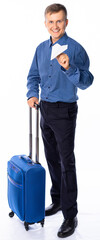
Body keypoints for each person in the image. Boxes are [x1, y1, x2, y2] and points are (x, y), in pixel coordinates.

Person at [27, 3, 94, 238]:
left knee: (67, 164)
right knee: (52, 158)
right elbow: (33, 75)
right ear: (46, 24)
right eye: (51, 21)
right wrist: (31, 94)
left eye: (59, 21)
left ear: (66, 22)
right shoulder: (40, 49)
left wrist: (69, 67)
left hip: (65, 112)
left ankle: (70, 215)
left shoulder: (76, 50)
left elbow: (87, 81)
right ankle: (56, 201)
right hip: (44, 109)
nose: (55, 25)